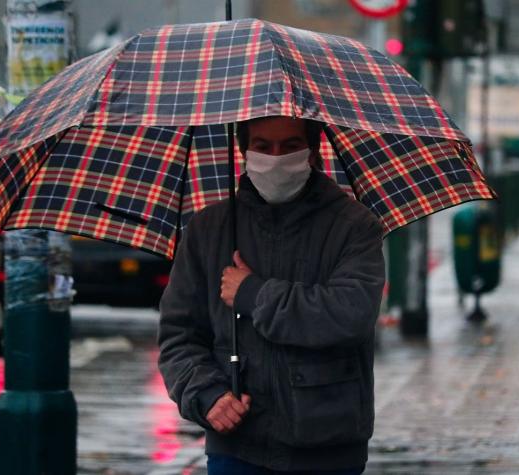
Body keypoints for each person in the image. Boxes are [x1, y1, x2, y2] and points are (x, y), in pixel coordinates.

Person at [157, 115, 385, 474]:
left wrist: (252, 293)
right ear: (243, 150)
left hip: (328, 444)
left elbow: (351, 315)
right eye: (263, 147)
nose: (276, 158)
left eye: (290, 146)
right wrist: (207, 395)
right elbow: (178, 336)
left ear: (312, 150)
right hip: (238, 447)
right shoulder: (208, 229)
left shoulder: (355, 226)